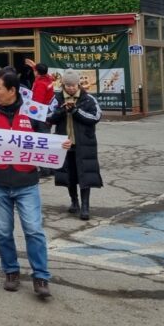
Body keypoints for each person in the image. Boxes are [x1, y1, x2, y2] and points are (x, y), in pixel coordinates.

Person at [0, 70, 69, 299]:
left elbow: (46, 137)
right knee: (2, 231)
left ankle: (40, 276)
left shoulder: (33, 110)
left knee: (34, 230)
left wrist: (59, 146)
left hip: (26, 183)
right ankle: (11, 271)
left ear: (12, 90)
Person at [49, 70, 103, 220]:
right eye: (68, 85)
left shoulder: (88, 98)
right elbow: (48, 116)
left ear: (78, 84)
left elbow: (96, 117)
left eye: (73, 85)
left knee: (85, 175)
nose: (71, 88)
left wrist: (75, 111)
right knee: (69, 175)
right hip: (64, 143)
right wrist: (61, 110)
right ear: (63, 84)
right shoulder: (57, 98)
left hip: (84, 143)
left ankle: (85, 206)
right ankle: (74, 201)